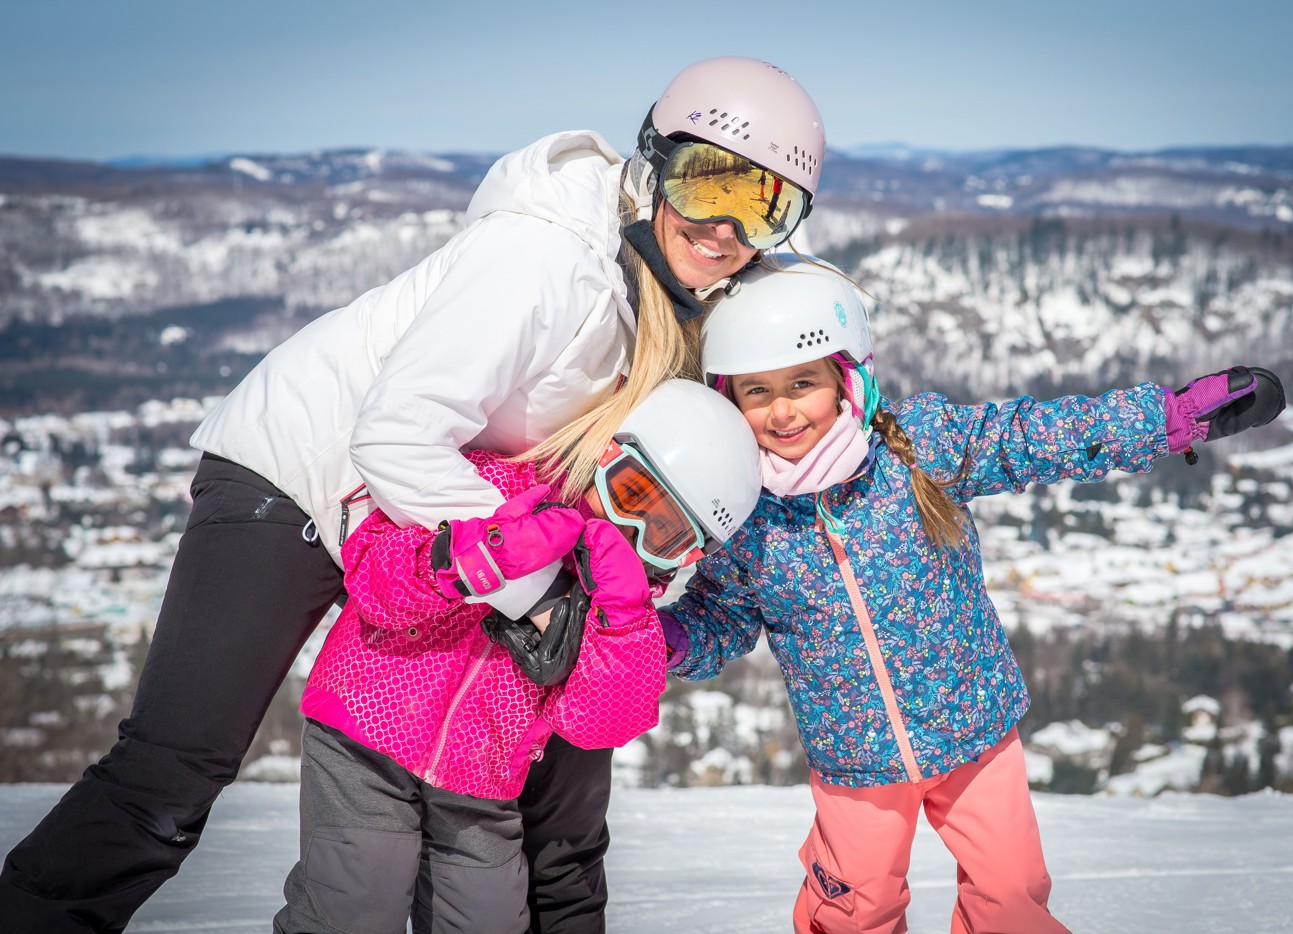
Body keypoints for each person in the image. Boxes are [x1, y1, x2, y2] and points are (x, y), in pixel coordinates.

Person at [0, 56, 825, 934]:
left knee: (541, 793)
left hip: (435, 516)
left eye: (766, 205)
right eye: (710, 183)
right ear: (655, 162)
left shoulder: (672, 288)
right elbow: (395, 432)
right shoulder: (548, 259)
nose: (728, 224)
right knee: (176, 768)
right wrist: (539, 598)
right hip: (301, 476)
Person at [659, 257, 1287, 934]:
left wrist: (1167, 418)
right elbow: (720, 616)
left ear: (848, 380)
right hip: (856, 760)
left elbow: (1033, 438)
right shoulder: (749, 517)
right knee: (853, 911)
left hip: (976, 732)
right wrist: (662, 639)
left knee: (1011, 896)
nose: (782, 410)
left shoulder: (916, 450)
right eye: (757, 391)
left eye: (803, 383)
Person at [274, 379, 761, 934]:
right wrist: (467, 557)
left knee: (489, 920)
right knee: (354, 901)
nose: (631, 530)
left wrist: (622, 615)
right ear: (604, 454)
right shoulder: (497, 483)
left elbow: (598, 722)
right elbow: (372, 577)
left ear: (686, 554)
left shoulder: (625, 611)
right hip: (364, 742)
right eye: (631, 496)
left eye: (664, 534)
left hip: (482, 784)